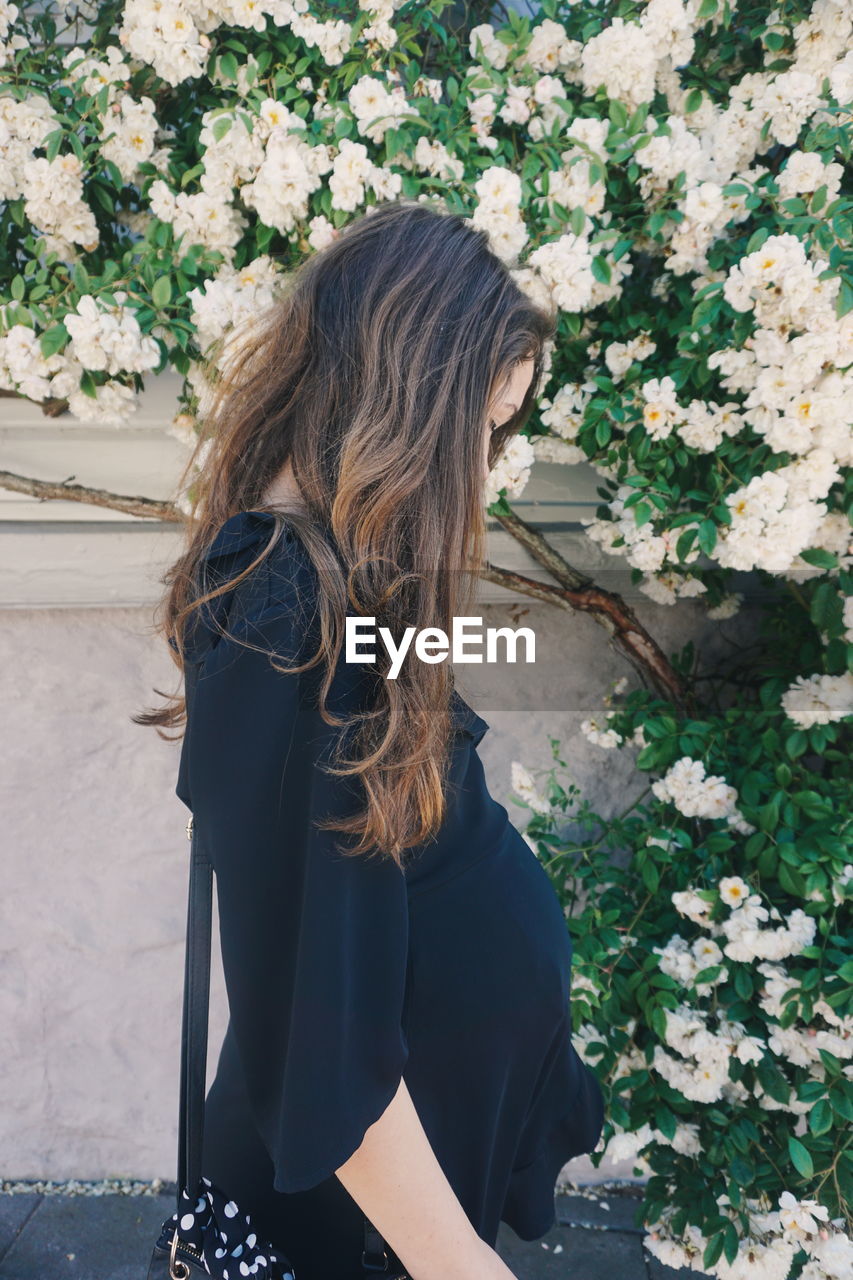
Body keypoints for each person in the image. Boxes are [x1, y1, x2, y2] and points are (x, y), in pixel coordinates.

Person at [141, 199, 605, 1280]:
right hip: (369, 1215)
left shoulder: (332, 577)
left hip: (425, 1155)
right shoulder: (279, 615)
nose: (487, 467)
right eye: (485, 429)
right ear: (413, 404)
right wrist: (460, 1264)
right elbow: (321, 1033)